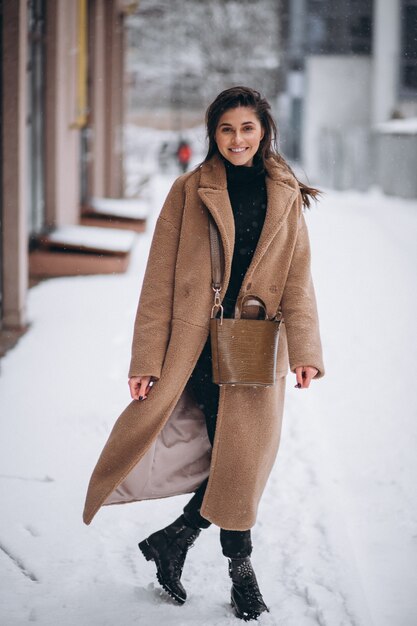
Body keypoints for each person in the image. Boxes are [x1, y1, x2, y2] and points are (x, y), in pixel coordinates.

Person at [83, 86, 325, 621]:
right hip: (197, 347)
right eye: (226, 129)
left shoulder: (285, 192)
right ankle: (241, 573)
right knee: (235, 459)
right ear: (213, 135)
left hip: (256, 345)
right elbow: (157, 283)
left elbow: (298, 283)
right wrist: (146, 359)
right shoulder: (189, 191)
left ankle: (177, 538)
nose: (237, 139)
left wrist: (306, 349)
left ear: (264, 131)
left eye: (247, 128)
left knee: (239, 461)